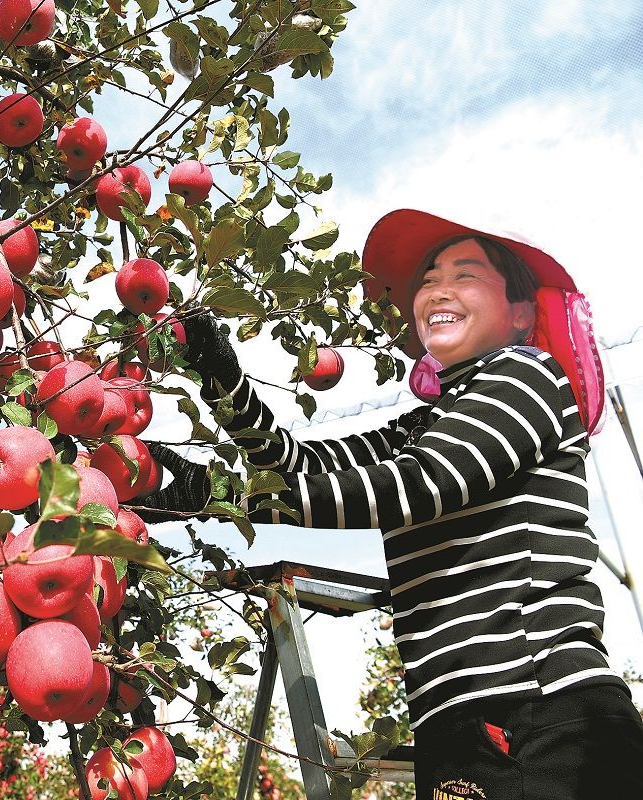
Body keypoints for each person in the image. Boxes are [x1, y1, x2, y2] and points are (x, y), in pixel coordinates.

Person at [135, 209, 643, 799]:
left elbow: (420, 484)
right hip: (460, 722)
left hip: (541, 711)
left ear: (521, 315)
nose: (438, 288)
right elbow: (297, 468)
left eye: (466, 274)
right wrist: (221, 379)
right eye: (428, 279)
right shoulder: (426, 423)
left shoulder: (525, 376)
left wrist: (210, 496)